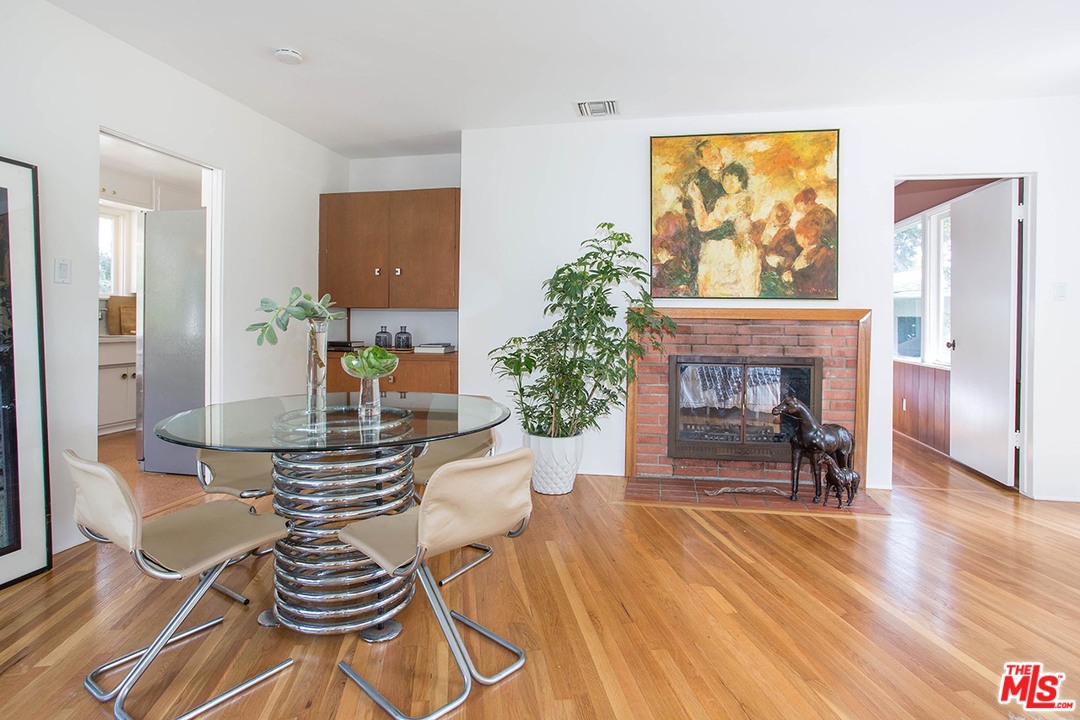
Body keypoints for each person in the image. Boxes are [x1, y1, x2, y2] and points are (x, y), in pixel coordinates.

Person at [694, 162, 761, 297]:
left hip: (737, 249)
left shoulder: (744, 198)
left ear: (741, 181)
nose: (728, 183)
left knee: (740, 286)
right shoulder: (722, 200)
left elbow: (707, 224)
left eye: (733, 179)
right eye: (725, 179)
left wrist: (698, 200)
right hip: (724, 246)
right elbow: (705, 225)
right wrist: (698, 200)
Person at [790, 187, 838, 298]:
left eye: (799, 206)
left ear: (804, 203)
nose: (798, 210)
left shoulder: (815, 216)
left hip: (821, 252)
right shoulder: (825, 211)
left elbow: (816, 238)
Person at [757, 201, 800, 297]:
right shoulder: (771, 227)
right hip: (771, 256)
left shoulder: (786, 231)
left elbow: (783, 250)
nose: (771, 221)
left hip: (781, 261)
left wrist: (766, 247)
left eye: (774, 218)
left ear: (784, 220)